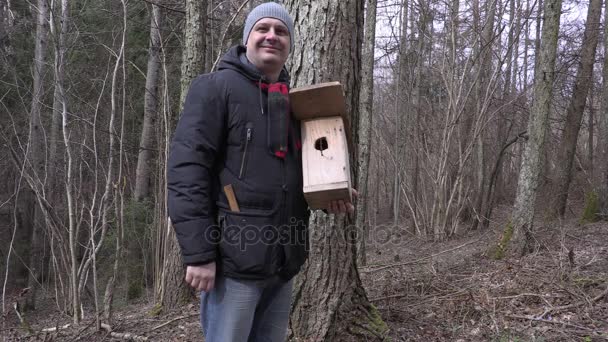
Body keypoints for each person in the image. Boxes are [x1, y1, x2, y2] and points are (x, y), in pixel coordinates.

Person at [167, 2, 354, 341]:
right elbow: (186, 172)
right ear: (247, 38)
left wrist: (330, 196)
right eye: (263, 29)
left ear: (290, 43)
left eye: (281, 31)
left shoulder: (291, 101)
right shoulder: (214, 88)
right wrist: (199, 254)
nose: (272, 36)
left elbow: (292, 178)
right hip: (232, 264)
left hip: (282, 264)